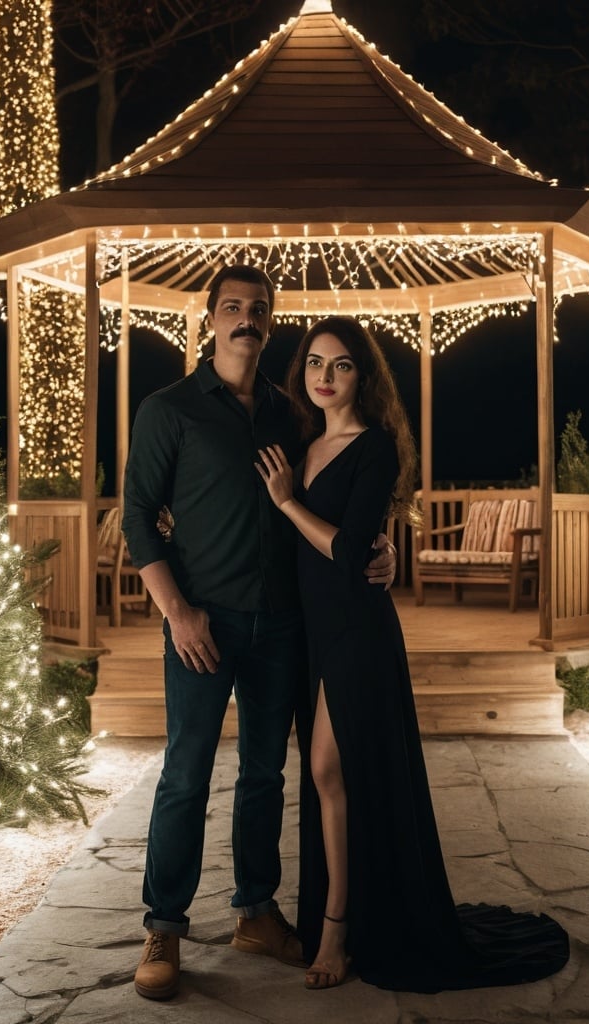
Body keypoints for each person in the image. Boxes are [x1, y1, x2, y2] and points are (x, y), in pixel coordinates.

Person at [255, 315, 570, 992]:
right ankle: (341, 912)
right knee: (330, 778)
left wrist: (287, 504)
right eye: (314, 363)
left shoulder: (375, 449)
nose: (325, 377)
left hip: (356, 627)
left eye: (340, 365)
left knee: (327, 765)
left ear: (362, 377)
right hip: (309, 630)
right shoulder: (298, 441)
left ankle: (338, 927)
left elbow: (345, 553)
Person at [121, 266, 396, 1000]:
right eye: (233, 308)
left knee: (265, 775)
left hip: (283, 625)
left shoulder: (290, 413)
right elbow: (137, 517)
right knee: (185, 775)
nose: (247, 319)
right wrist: (176, 610)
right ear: (210, 318)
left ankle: (255, 910)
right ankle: (164, 926)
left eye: (259, 310)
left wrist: (380, 549)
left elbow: (337, 495)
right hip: (201, 624)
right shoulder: (168, 409)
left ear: (270, 323)